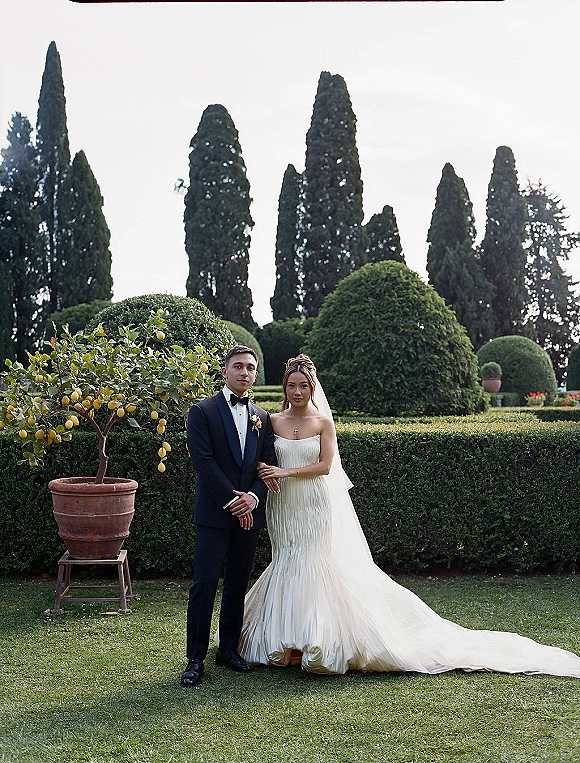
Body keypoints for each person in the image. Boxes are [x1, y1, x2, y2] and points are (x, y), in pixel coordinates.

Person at [239, 355, 580, 677]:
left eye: (303, 386)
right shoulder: (272, 421)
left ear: (313, 388)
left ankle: (316, 639)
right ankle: (286, 641)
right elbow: (261, 457)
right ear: (284, 388)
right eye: (291, 386)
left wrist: (283, 473)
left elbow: (326, 466)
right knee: (288, 558)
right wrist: (263, 474)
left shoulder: (323, 422)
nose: (297, 392)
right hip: (284, 506)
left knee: (314, 562)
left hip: (313, 503)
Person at [181, 345, 277, 687]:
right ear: (225, 372)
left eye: (250, 367)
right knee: (204, 584)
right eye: (238, 366)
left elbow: (267, 465)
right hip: (214, 514)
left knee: (237, 583)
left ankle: (229, 650)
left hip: (248, 515)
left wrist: (252, 497)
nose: (245, 372)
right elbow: (203, 462)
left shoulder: (263, 418)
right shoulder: (202, 411)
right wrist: (231, 500)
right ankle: (195, 658)